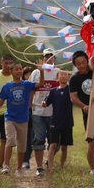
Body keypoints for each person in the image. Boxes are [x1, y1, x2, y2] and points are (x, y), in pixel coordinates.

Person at [0, 61, 44, 176]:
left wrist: (42, 71)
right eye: (16, 69)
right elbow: (1, 101)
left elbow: (40, 83)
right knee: (10, 140)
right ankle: (6, 166)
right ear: (11, 72)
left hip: (23, 119)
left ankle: (19, 169)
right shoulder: (7, 86)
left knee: (21, 145)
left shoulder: (26, 84)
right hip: (10, 118)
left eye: (20, 69)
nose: (19, 71)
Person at [30, 48, 59, 176]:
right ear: (42, 58)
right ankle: (39, 167)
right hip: (38, 112)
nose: (49, 58)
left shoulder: (58, 72)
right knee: (38, 140)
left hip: (53, 113)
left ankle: (49, 159)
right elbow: (31, 90)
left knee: (54, 143)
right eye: (46, 56)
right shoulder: (36, 72)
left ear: (54, 59)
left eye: (51, 56)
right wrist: (30, 107)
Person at [41, 69, 73, 173]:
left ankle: (62, 167)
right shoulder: (53, 91)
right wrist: (44, 103)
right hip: (55, 121)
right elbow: (46, 102)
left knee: (64, 147)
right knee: (53, 145)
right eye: (61, 74)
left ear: (68, 77)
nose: (64, 76)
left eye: (66, 74)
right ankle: (50, 167)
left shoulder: (70, 90)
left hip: (67, 122)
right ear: (57, 77)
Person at [22, 66, 34, 169]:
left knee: (31, 138)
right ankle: (25, 160)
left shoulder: (35, 86)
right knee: (24, 137)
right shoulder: (22, 86)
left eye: (31, 74)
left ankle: (27, 156)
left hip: (34, 112)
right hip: (24, 112)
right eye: (27, 75)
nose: (29, 76)